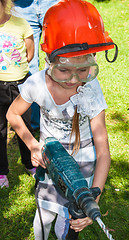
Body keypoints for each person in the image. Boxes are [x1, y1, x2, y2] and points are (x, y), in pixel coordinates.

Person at [7, 0, 118, 238]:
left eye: (84, 69)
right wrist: (32, 145)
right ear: (49, 59)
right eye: (64, 70)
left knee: (69, 221)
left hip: (84, 163)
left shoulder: (91, 88)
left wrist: (93, 197)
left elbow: (103, 151)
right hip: (51, 162)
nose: (73, 79)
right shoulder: (36, 84)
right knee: (44, 216)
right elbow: (12, 114)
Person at [0, 0, 36, 188]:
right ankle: (1, 172)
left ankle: (30, 163)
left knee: (25, 126)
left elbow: (30, 54)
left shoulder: (20, 24)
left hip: (20, 87)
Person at [13, 0, 59, 130]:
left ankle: (58, 118)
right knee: (26, 67)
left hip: (53, 3)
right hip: (21, 5)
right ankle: (31, 122)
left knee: (58, 63)